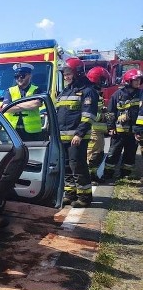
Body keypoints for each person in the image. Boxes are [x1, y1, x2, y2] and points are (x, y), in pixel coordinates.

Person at [56, 57, 98, 208]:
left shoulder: (88, 91)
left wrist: (79, 134)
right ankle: (70, 194)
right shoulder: (64, 92)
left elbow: (89, 116)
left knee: (78, 167)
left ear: (77, 72)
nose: (66, 76)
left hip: (76, 138)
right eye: (64, 74)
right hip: (63, 138)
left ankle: (84, 197)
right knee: (67, 166)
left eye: (68, 73)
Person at [103, 69, 143, 180]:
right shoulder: (117, 95)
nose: (138, 82)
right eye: (136, 80)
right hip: (119, 131)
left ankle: (125, 175)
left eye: (139, 80)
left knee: (130, 155)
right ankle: (108, 174)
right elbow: (110, 112)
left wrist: (139, 130)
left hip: (133, 132)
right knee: (113, 153)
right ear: (128, 80)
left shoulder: (141, 94)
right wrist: (110, 127)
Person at [1, 63, 44, 141]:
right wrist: (27, 105)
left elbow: (35, 104)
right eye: (16, 77)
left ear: (30, 75)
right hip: (12, 132)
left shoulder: (37, 90)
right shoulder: (9, 90)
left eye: (22, 76)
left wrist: (14, 106)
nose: (19, 79)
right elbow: (6, 108)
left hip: (32, 133)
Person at [85, 67, 110, 183]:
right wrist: (104, 116)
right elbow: (90, 112)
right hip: (93, 130)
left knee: (98, 154)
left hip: (98, 131)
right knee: (92, 155)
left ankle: (93, 175)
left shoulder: (95, 92)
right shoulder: (91, 93)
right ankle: (88, 177)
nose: (104, 83)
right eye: (102, 80)